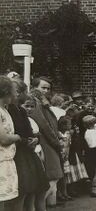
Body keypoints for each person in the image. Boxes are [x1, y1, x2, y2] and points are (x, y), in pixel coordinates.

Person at [7, 79, 50, 211]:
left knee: (36, 189)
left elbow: (29, 131)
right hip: (18, 154)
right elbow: (13, 133)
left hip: (28, 153)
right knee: (23, 191)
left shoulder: (21, 110)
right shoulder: (9, 111)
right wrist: (27, 140)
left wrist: (34, 139)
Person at [29, 77, 64, 208]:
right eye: (43, 87)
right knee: (54, 175)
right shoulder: (35, 102)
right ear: (35, 87)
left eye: (48, 88)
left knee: (52, 177)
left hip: (48, 141)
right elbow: (43, 124)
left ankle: (41, 206)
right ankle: (35, 206)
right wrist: (56, 141)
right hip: (45, 141)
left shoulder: (43, 102)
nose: (46, 90)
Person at [0, 76, 22, 211]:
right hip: (1, 160)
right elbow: (3, 138)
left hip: (6, 159)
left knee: (4, 200)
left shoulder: (4, 110)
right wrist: (18, 137)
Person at [57, 116, 73, 202]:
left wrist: (67, 154)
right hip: (59, 156)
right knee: (60, 175)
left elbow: (69, 145)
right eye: (69, 124)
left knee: (65, 175)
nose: (71, 125)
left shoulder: (68, 133)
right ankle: (59, 193)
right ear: (63, 125)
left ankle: (65, 192)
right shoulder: (57, 134)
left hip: (66, 156)